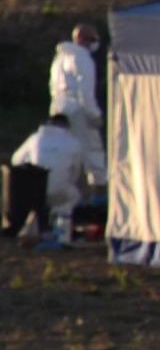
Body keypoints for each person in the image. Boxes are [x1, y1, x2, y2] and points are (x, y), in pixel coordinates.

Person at [8, 114, 85, 242]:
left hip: (33, 191)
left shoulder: (35, 138)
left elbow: (16, 160)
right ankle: (62, 233)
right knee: (72, 197)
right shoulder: (74, 142)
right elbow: (76, 173)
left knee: (43, 201)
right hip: (59, 190)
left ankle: (40, 227)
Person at [49, 23, 107, 187]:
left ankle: (64, 185)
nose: (95, 43)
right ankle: (99, 186)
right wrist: (94, 115)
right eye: (92, 39)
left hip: (57, 107)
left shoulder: (59, 59)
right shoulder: (82, 57)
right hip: (77, 109)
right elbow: (85, 90)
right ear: (81, 39)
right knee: (92, 147)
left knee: (64, 150)